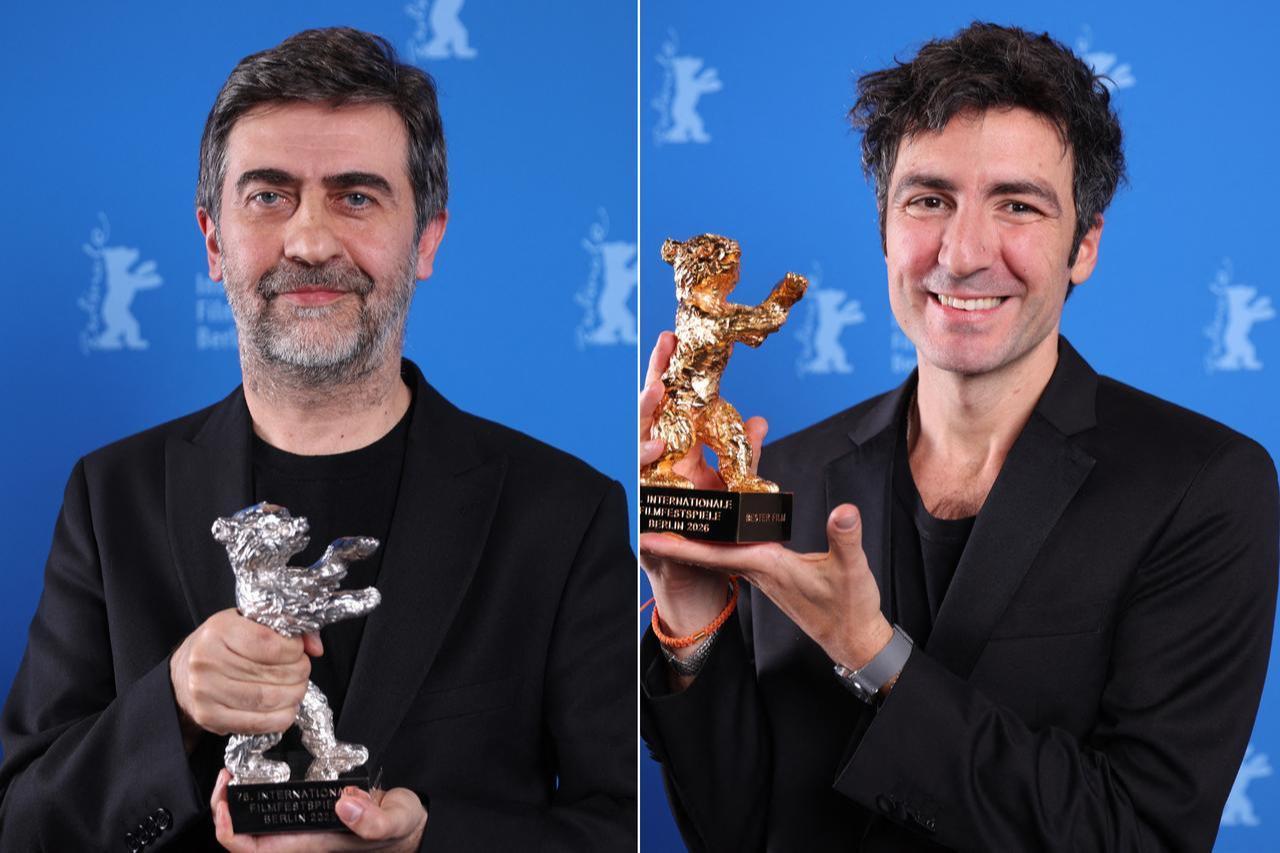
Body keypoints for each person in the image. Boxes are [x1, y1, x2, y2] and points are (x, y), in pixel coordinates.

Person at [639, 22, 1277, 852]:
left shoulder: (1202, 487)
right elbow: (741, 830)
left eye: (1017, 204)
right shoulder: (786, 475)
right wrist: (690, 609)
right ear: (884, 228)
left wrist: (872, 653)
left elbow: (1139, 833)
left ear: (1085, 243)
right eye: (929, 200)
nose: (964, 252)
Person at [0, 28, 635, 851]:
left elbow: (620, 824)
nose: (309, 241)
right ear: (213, 240)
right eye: (269, 196)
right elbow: (24, 825)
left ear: (426, 239)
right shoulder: (109, 496)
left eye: (356, 197)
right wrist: (174, 702)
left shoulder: (563, 512)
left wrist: (428, 844)